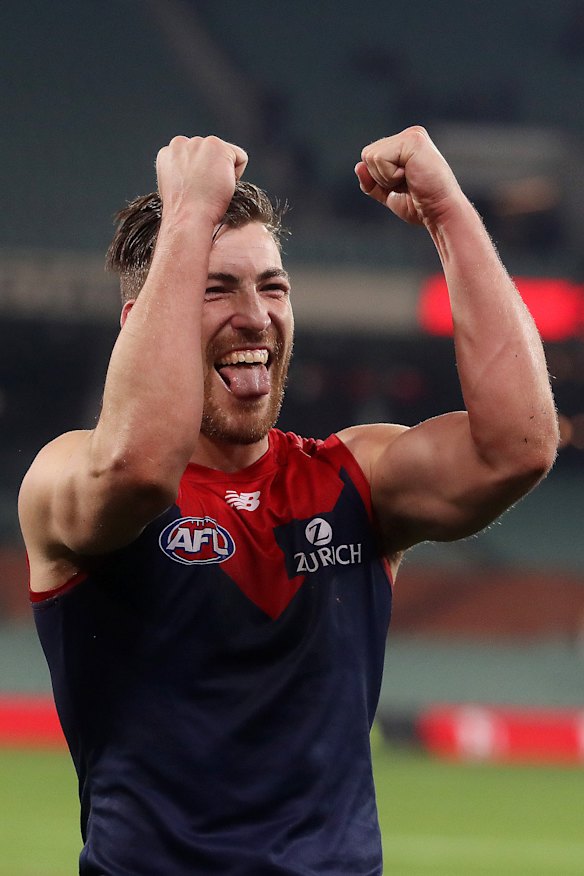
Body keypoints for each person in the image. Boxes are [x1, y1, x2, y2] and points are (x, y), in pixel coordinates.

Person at [18, 128, 558, 875]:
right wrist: (185, 216)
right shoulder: (68, 474)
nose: (256, 315)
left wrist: (449, 211)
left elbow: (518, 447)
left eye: (272, 285)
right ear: (140, 321)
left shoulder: (350, 476)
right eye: (216, 288)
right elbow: (139, 467)